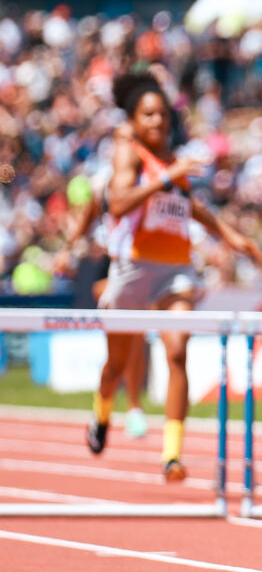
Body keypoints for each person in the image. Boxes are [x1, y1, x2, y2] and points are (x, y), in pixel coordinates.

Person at [89, 72, 262, 482]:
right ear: (133, 120)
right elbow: (117, 203)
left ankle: (172, 455)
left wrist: (231, 235)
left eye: (163, 115)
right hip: (134, 269)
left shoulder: (173, 162)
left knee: (176, 350)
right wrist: (166, 176)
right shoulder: (130, 154)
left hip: (176, 270)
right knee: (116, 363)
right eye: (148, 115)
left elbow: (191, 208)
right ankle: (101, 413)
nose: (158, 122)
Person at [56, 162, 149, 440]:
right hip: (111, 267)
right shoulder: (105, 183)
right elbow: (89, 216)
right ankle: (103, 412)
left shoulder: (150, 178)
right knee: (116, 359)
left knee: (137, 341)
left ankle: (134, 408)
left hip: (138, 268)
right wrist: (69, 247)